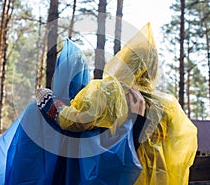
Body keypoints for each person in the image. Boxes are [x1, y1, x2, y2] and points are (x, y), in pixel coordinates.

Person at [38, 22, 197, 185]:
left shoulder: (113, 92)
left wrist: (49, 102)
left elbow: (72, 121)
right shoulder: (169, 107)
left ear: (125, 60)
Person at [0, 38, 144, 185]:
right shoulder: (89, 120)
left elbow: (21, 163)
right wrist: (136, 120)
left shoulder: (38, 111)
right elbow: (107, 163)